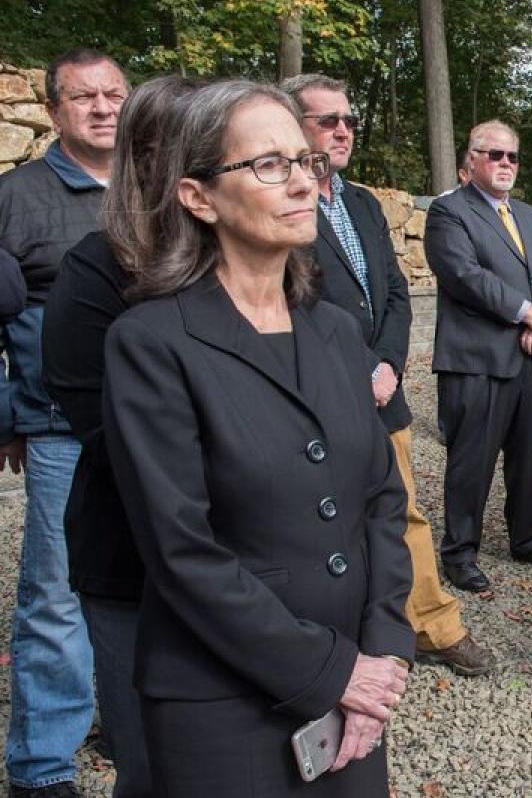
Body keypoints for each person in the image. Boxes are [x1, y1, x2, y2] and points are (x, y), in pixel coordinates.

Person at [102, 80, 413, 795]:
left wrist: (385, 648)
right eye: (270, 165)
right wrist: (333, 672)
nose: (303, 181)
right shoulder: (152, 344)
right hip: (222, 701)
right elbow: (182, 551)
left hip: (358, 685)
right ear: (198, 197)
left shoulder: (334, 330)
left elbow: (380, 501)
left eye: (306, 162)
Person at [284, 74, 493, 675]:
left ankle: (434, 625)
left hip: (381, 393)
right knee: (316, 519)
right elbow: (286, 304)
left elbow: (397, 294)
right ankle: (327, 641)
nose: (343, 129)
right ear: (291, 125)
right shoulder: (279, 201)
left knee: (402, 511)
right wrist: (356, 370)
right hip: (314, 393)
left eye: (348, 119)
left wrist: (386, 365)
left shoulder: (362, 203)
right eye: (327, 120)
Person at [42, 75, 197, 798]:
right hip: (136, 568)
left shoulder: (270, 267)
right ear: (162, 159)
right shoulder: (94, 273)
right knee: (159, 768)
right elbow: (107, 431)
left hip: (261, 570)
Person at [0, 47, 128, 798]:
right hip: (59, 432)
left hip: (157, 428)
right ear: (54, 110)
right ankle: (41, 766)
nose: (103, 108)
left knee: (142, 577)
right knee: (56, 595)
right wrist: (4, 420)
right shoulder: (16, 197)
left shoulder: (157, 189)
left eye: (114, 94)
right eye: (84, 97)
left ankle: (122, 715)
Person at [425, 120, 532, 592]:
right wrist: (529, 316)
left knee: (528, 457)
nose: (505, 163)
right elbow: (465, 277)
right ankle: (460, 551)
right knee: (472, 460)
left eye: (512, 157)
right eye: (495, 155)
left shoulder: (530, 215)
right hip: (478, 361)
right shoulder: (449, 213)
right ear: (471, 159)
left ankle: (526, 538)